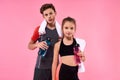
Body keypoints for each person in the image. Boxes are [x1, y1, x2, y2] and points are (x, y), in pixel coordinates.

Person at [28, 3, 62, 80]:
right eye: (46, 15)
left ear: (55, 13)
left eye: (51, 13)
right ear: (43, 17)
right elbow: (29, 45)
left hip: (55, 67)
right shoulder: (39, 30)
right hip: (41, 67)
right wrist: (37, 44)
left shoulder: (61, 31)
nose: (49, 16)